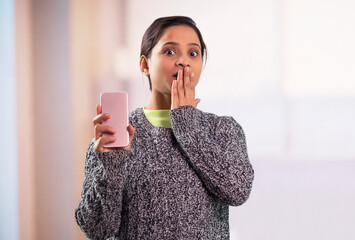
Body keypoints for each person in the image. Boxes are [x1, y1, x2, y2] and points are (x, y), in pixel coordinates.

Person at [75, 16, 254, 240]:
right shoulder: (117, 135)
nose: (183, 61)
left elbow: (237, 191)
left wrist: (187, 125)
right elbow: (97, 230)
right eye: (170, 51)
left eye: (193, 53)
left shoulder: (223, 130)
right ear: (144, 64)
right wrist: (110, 166)